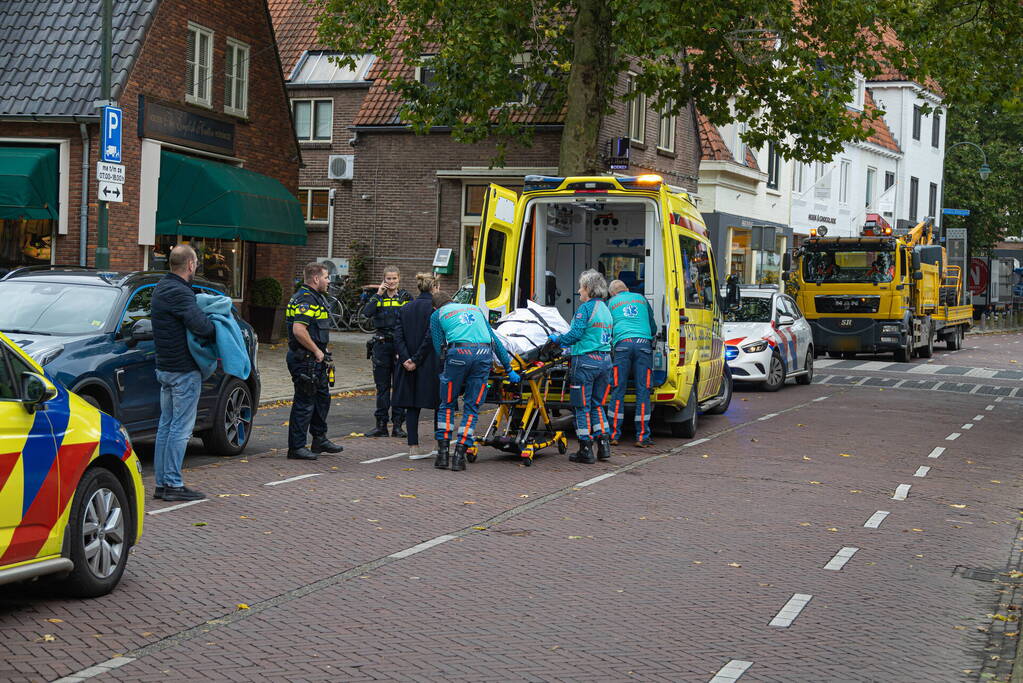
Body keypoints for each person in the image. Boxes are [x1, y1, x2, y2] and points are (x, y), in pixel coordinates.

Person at [151, 245, 216, 501]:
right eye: (196, 262)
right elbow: (201, 326)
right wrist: (216, 327)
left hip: (165, 367)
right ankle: (173, 484)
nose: (196, 266)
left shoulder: (161, 288)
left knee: (166, 426)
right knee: (180, 428)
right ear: (190, 265)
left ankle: (162, 482)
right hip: (183, 369)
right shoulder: (180, 292)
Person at [430, 299, 520, 471]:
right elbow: (495, 341)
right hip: (483, 354)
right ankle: (459, 456)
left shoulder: (437, 314)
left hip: (458, 354)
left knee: (447, 404)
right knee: (472, 407)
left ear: (436, 306)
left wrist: (445, 368)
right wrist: (509, 369)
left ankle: (442, 455)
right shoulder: (476, 310)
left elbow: (438, 345)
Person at [548, 269, 614, 464]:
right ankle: (603, 445)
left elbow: (575, 335)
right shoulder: (606, 310)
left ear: (588, 289)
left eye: (581, 287)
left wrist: (557, 340)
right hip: (604, 362)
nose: (578, 291)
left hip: (585, 362)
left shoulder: (585, 309)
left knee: (581, 406)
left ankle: (586, 448)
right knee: (597, 404)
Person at [285, 262, 345, 460]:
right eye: (326, 277)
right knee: (304, 402)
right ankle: (297, 447)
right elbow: (299, 330)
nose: (329, 281)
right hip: (305, 359)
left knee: (321, 398)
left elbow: (313, 330)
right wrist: (317, 351)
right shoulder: (306, 299)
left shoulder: (316, 298)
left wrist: (322, 350)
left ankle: (319, 438)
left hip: (315, 358)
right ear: (316, 278)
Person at [393, 273, 443, 460]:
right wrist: (417, 358)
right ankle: (440, 445)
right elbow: (431, 338)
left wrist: (407, 359)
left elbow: (397, 336)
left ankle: (413, 447)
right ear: (434, 288)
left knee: (411, 405)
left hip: (407, 365)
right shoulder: (435, 310)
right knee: (440, 404)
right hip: (430, 364)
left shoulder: (405, 308)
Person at [362, 266, 413, 438]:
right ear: (384, 279)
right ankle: (381, 425)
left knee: (399, 387)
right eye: (388, 279)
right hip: (381, 345)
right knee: (382, 387)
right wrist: (377, 294)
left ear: (399, 279)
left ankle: (398, 426)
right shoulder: (377, 297)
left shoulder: (405, 297)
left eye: (394, 279)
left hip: (399, 345)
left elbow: (411, 319)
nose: (391, 282)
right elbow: (366, 314)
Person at [607, 279, 657, 448]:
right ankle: (642, 436)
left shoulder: (611, 303)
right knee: (643, 391)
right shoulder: (641, 299)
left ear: (613, 293)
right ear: (627, 289)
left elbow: (607, 327)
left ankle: (613, 435)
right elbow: (653, 326)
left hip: (622, 346)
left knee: (617, 390)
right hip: (643, 345)